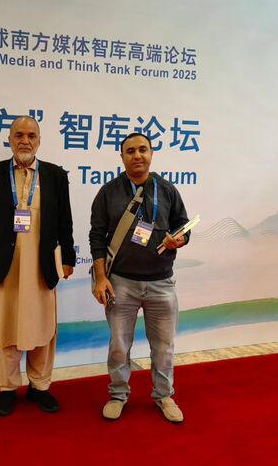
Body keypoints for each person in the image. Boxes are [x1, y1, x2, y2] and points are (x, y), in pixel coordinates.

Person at [0, 116, 75, 416]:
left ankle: (39, 386)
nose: (25, 141)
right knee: (7, 326)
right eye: (19, 135)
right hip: (6, 264)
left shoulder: (56, 175)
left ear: (39, 140)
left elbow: (65, 220)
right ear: (9, 139)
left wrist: (68, 258)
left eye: (31, 135)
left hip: (42, 264)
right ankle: (7, 388)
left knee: (43, 326)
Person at [89, 132, 190, 423]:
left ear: (151, 154)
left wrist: (180, 240)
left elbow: (183, 226)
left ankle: (164, 395)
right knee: (119, 345)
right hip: (121, 282)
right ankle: (118, 394)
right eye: (130, 151)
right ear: (122, 157)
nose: (137, 155)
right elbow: (97, 236)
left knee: (164, 346)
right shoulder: (109, 192)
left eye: (142, 149)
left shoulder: (167, 190)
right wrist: (100, 278)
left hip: (162, 282)